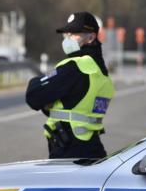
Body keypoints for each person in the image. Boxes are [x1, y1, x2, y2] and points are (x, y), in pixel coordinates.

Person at [25, 12, 115, 159]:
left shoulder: (75, 67)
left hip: (69, 152)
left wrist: (36, 83)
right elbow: (73, 105)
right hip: (93, 149)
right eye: (66, 34)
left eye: (73, 33)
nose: (67, 38)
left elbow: (33, 95)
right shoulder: (101, 72)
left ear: (91, 37)